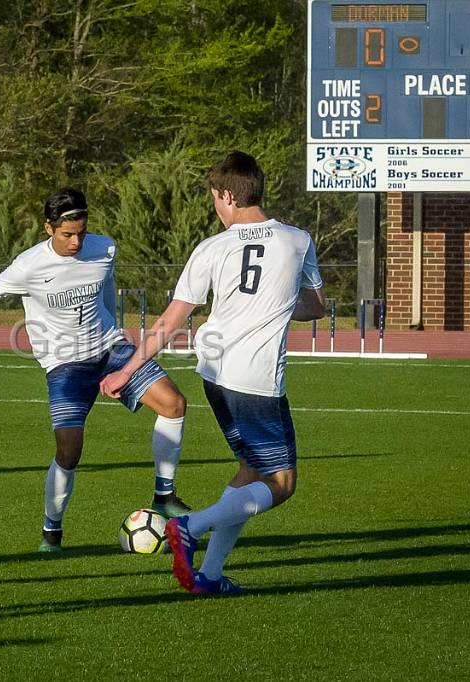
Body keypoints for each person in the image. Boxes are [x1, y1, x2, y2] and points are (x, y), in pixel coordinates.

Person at [0, 187, 190, 552]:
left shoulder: (105, 248)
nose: (76, 241)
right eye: (67, 234)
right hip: (64, 364)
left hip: (110, 349)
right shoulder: (28, 266)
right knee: (69, 451)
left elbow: (107, 287)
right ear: (48, 228)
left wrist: (115, 328)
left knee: (174, 404)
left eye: (81, 232)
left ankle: (164, 494)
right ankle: (52, 531)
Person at [100, 151, 326, 595]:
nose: (215, 209)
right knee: (281, 484)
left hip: (216, 375)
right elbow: (315, 306)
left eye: (214, 200)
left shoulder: (212, 248)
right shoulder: (297, 240)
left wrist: (128, 369)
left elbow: (170, 320)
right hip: (258, 381)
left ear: (227, 194)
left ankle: (211, 575)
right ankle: (189, 526)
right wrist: (280, 302)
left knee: (249, 471)